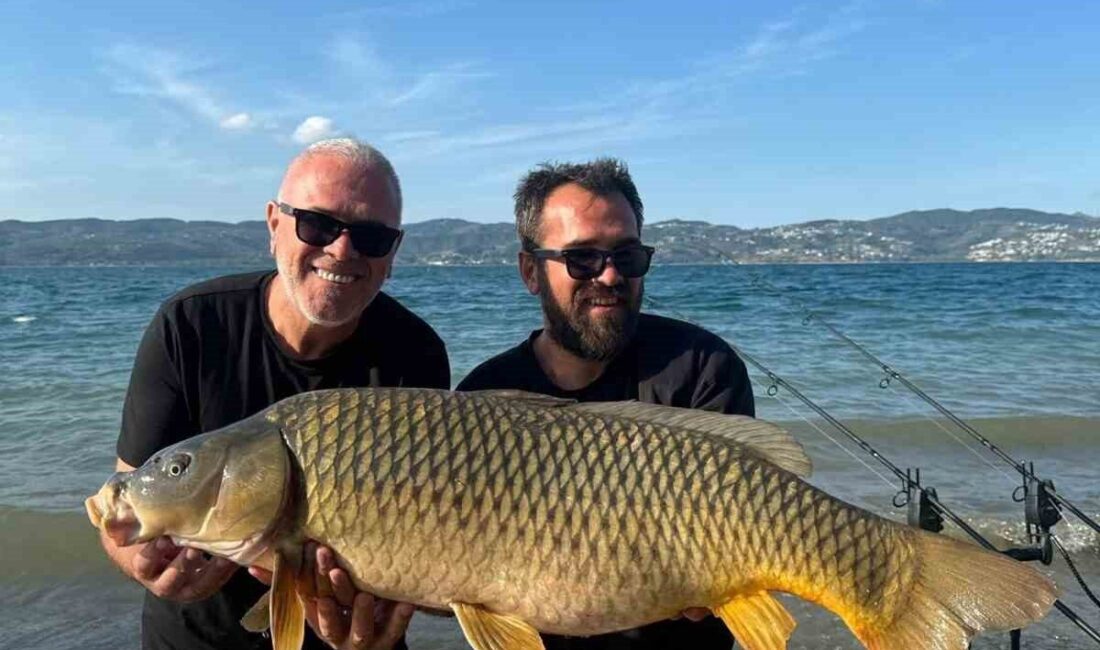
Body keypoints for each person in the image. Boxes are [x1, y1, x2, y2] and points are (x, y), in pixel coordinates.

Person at [98, 138, 449, 650]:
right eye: (318, 224)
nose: (342, 250)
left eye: (372, 237)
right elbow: (129, 499)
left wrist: (377, 614)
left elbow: (431, 531)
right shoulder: (191, 325)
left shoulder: (415, 352)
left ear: (393, 253)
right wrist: (141, 563)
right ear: (273, 224)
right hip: (197, 638)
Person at [457, 158, 753, 650]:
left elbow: (743, 529)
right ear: (531, 271)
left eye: (627, 257)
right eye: (582, 259)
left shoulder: (703, 367)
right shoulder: (483, 397)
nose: (611, 276)